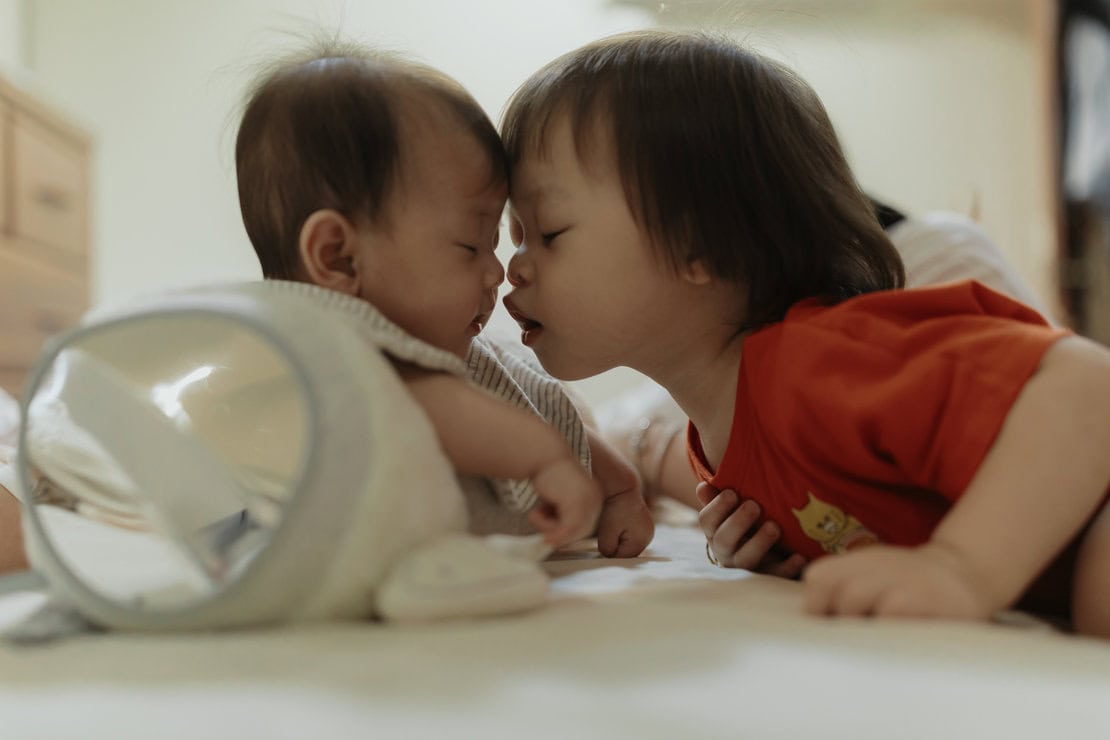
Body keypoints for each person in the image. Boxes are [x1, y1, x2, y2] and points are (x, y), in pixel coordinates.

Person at [499, 31, 1110, 634]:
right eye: (515, 233)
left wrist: (961, 569)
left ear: (700, 245)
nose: (514, 266)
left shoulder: (818, 358)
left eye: (549, 233)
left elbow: (1087, 385)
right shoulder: (718, 432)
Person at [232, 42, 652, 557]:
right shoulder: (328, 345)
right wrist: (543, 460)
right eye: (470, 246)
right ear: (339, 257)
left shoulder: (471, 374)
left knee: (559, 416)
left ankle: (630, 475)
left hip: (537, 455)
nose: (496, 271)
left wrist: (611, 487)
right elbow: (428, 405)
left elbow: (552, 425)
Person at [600, 199, 1060, 579]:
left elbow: (1073, 379)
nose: (525, 265)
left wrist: (960, 567)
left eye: (562, 233)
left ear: (694, 248)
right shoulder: (722, 411)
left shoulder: (826, 351)